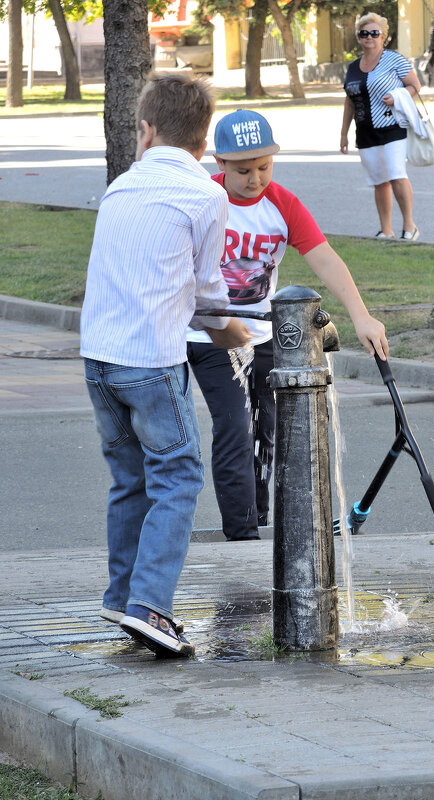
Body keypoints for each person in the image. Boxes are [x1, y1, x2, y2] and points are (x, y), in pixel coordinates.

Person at [80, 74, 250, 659]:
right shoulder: (207, 195)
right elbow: (207, 296)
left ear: (146, 131)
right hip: (151, 360)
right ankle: (151, 608)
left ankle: (123, 595)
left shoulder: (122, 187)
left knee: (129, 479)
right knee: (176, 477)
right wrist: (235, 334)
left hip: (98, 358)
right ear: (203, 145)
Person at [186, 109, 389, 543]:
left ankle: (258, 518)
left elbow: (324, 258)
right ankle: (241, 539)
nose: (255, 178)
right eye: (243, 170)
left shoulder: (283, 204)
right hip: (209, 334)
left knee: (267, 431)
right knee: (235, 427)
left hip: (264, 336)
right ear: (220, 164)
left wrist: (361, 315)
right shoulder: (202, 199)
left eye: (264, 167)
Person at [340, 13, 421, 242]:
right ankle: (386, 230)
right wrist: (343, 134)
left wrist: (398, 97)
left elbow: (415, 86)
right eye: (364, 33)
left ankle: (409, 226)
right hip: (365, 131)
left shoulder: (394, 60)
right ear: (359, 37)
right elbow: (349, 101)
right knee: (379, 181)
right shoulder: (353, 67)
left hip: (392, 126)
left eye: (374, 33)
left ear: (383, 36)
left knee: (396, 174)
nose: (369, 37)